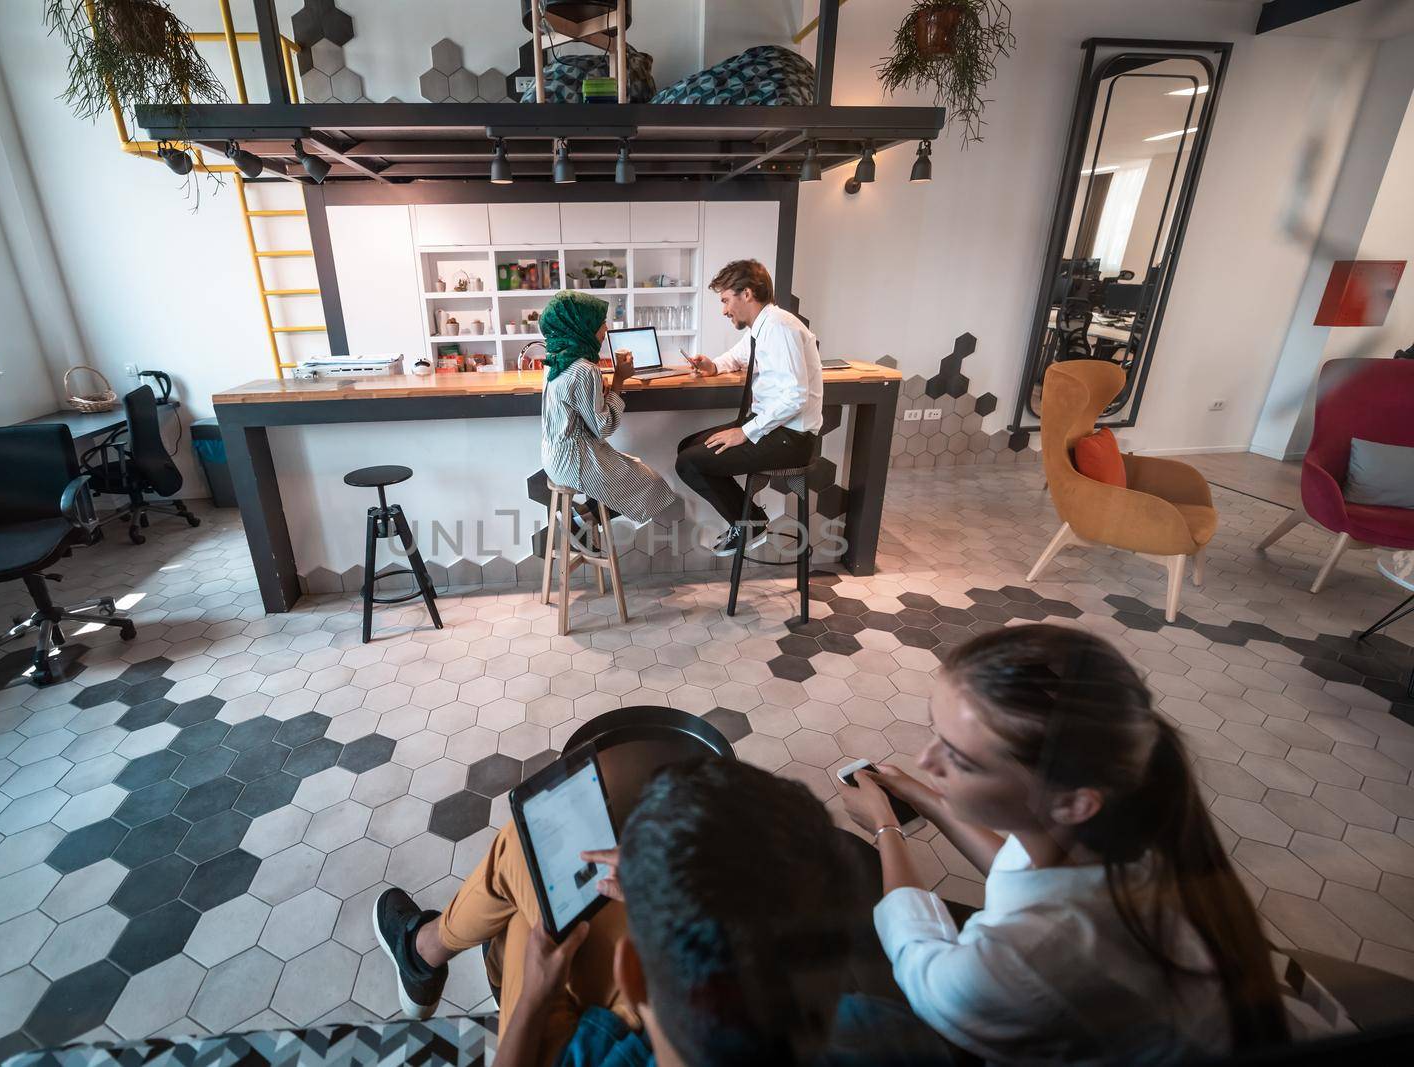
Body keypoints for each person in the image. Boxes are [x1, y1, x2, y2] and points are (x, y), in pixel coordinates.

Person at [837, 624, 1289, 1063]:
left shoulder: (1036, 957)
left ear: (1072, 802)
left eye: (959, 759)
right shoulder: (1124, 827)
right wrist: (927, 800)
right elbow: (1019, 873)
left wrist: (884, 827)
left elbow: (923, 967)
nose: (924, 759)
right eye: (936, 731)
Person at [374, 758, 884, 1067]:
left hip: (596, 1036)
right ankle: (427, 951)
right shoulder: (877, 1030)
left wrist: (533, 996)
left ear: (634, 974)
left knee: (527, 889)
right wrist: (664, 882)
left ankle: (423, 953)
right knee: (546, 881)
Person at [676, 260, 823, 555]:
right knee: (687, 446)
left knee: (689, 462)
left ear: (747, 293)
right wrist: (713, 365)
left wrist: (745, 431)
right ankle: (748, 521)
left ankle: (750, 524)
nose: (724, 310)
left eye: (726, 300)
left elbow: (796, 396)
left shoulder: (781, 327)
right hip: (776, 428)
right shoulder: (763, 326)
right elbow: (740, 355)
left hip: (792, 438)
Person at [537, 289, 680, 528]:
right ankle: (580, 526)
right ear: (580, 326)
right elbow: (604, 428)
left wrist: (599, 390)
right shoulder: (585, 370)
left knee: (626, 473)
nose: (606, 330)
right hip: (576, 461)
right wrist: (619, 381)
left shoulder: (554, 360)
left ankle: (580, 518)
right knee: (652, 485)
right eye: (601, 323)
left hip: (553, 457)